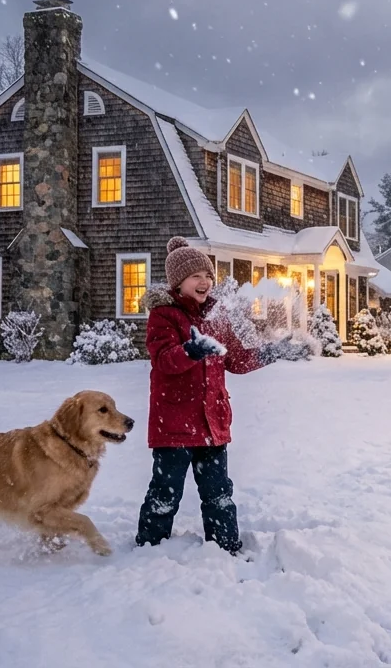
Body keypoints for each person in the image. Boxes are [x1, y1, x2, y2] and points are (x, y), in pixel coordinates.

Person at [135, 237, 272, 553]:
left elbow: (235, 359)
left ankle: (225, 547)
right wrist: (191, 350)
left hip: (212, 425)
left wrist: (272, 352)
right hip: (174, 425)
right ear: (179, 281)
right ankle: (149, 547)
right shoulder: (164, 315)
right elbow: (165, 360)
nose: (205, 282)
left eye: (208, 275)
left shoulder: (216, 316)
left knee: (219, 492)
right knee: (164, 493)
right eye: (196, 276)